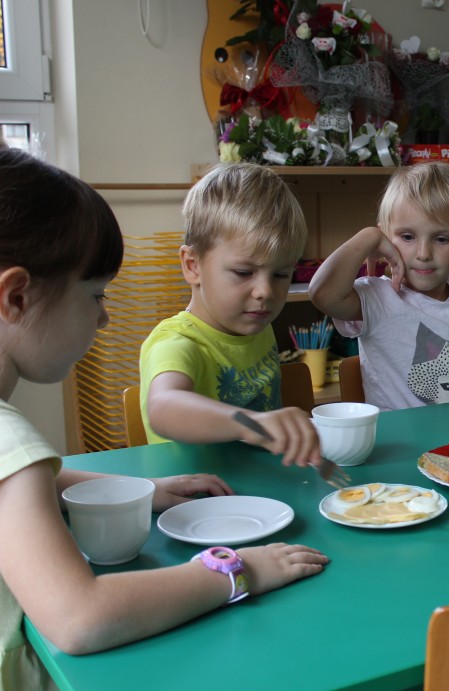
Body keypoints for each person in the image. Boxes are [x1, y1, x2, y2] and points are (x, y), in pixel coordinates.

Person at [0, 147, 328, 688]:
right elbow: (81, 617)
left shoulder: (14, 456)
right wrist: (239, 570)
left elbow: (26, 482)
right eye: (96, 295)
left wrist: (139, 489)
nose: (105, 318)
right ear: (15, 298)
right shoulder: (9, 436)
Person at [140, 163, 320, 466]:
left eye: (280, 274)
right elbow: (163, 407)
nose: (265, 291)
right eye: (243, 272)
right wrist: (250, 424)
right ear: (193, 265)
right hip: (194, 492)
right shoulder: (176, 343)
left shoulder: (256, 325)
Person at [309, 161, 449, 411]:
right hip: (402, 435)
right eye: (407, 237)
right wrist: (368, 237)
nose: (423, 253)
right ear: (385, 239)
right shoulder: (377, 296)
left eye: (441, 239)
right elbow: (321, 293)